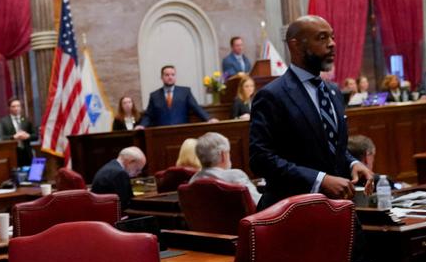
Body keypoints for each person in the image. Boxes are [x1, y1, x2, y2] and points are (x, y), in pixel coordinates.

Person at [248, 15, 373, 211]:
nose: (332, 44)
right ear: (295, 45)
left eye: (332, 37)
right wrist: (320, 180)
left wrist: (352, 163)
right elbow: (261, 159)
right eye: (322, 38)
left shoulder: (333, 91)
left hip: (339, 208)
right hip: (293, 212)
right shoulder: (272, 96)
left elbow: (331, 148)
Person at [189, 132, 261, 205]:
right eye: (228, 152)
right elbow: (259, 204)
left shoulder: (193, 181)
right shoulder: (235, 176)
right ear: (223, 154)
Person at [138, 66, 217, 128]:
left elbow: (196, 107)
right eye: (167, 75)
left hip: (181, 130)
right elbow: (148, 115)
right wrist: (142, 125)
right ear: (161, 77)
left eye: (173, 74)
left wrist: (209, 119)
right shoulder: (154, 95)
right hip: (162, 132)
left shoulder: (185, 92)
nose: (170, 77)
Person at [0, 97, 38, 166]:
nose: (16, 108)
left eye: (18, 106)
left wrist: (28, 136)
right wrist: (13, 137)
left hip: (27, 153)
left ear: (21, 107)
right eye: (13, 106)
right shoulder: (3, 121)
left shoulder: (27, 120)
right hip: (12, 153)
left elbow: (36, 136)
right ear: (9, 108)